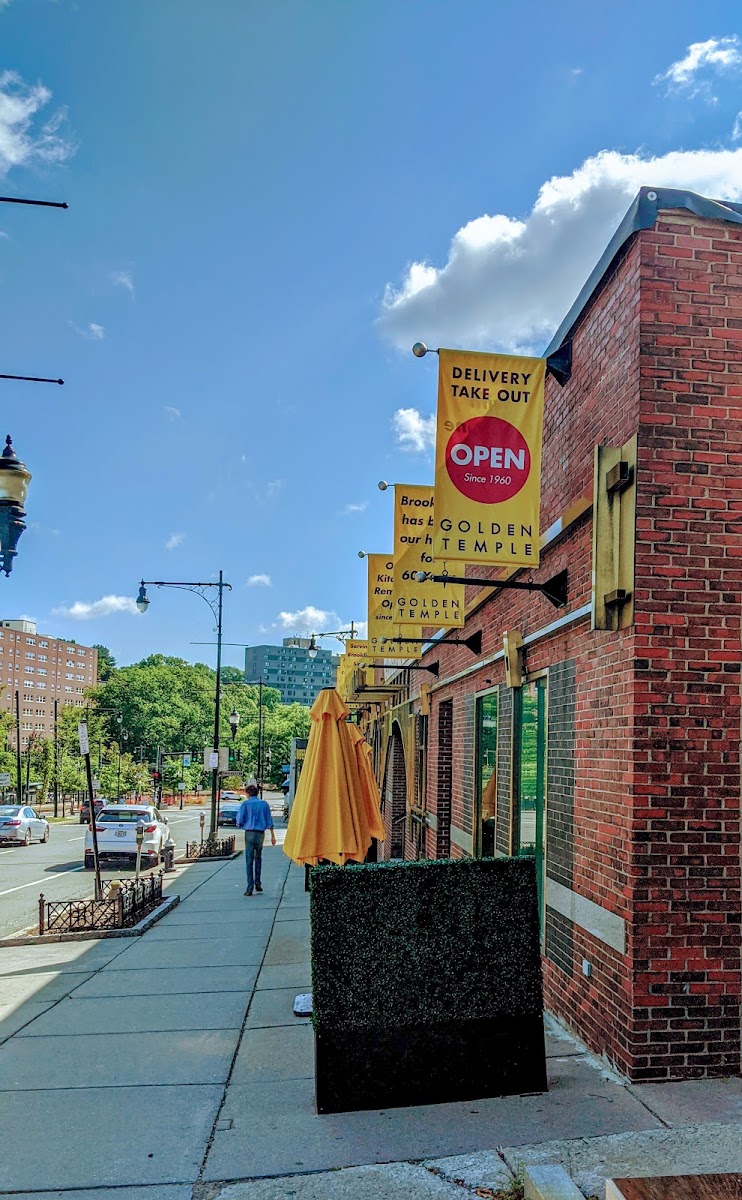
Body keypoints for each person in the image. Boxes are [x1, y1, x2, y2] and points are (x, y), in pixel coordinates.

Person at [235, 784, 276, 896]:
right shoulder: (264, 804)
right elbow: (269, 820)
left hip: (249, 833)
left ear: (248, 793)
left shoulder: (245, 804)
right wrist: (272, 835)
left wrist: (241, 824)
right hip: (260, 833)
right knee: (258, 857)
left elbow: (239, 819)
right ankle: (258, 883)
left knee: (249, 860)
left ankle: (249, 887)